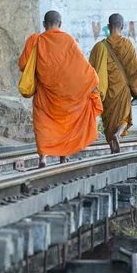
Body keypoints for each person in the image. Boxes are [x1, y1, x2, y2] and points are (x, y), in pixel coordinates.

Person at [18, 10, 103, 168]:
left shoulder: (35, 41)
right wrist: (93, 83)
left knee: (44, 125)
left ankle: (43, 157)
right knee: (66, 124)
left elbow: (23, 64)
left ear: (44, 24)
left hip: (45, 95)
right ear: (60, 24)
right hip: (66, 96)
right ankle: (63, 156)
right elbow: (81, 67)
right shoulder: (68, 40)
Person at [89, 13, 137, 153]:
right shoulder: (127, 44)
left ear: (108, 27)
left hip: (107, 91)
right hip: (122, 88)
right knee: (124, 117)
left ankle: (112, 143)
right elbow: (135, 67)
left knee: (108, 119)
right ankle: (118, 134)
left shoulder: (98, 47)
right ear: (122, 26)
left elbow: (91, 70)